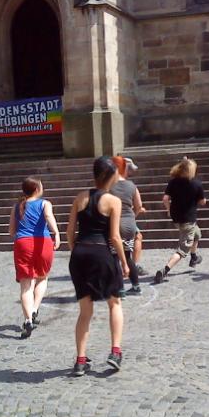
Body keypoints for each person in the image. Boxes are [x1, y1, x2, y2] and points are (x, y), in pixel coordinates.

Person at [67, 156, 129, 376]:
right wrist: (124, 262)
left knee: (85, 312)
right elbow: (114, 237)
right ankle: (115, 352)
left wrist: (77, 250)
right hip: (102, 253)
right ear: (112, 176)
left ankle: (81, 360)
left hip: (80, 254)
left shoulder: (79, 197)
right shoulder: (114, 201)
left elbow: (69, 233)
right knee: (115, 303)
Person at [9, 177, 60, 339]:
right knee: (42, 278)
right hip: (42, 242)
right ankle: (34, 309)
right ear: (37, 189)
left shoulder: (17, 206)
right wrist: (57, 233)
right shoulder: (45, 203)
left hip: (22, 243)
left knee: (26, 286)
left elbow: (11, 231)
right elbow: (49, 217)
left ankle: (28, 319)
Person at [154, 158, 206, 284]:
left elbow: (165, 199)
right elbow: (203, 202)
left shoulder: (173, 182)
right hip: (188, 220)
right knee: (183, 249)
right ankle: (165, 270)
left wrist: (168, 209)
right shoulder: (196, 184)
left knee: (197, 233)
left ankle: (194, 257)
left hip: (177, 218)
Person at [110, 156, 146, 295]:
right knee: (127, 255)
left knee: (114, 256)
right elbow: (139, 206)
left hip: (115, 223)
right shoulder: (132, 186)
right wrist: (132, 217)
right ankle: (136, 286)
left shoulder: (109, 185)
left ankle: (119, 289)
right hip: (130, 224)